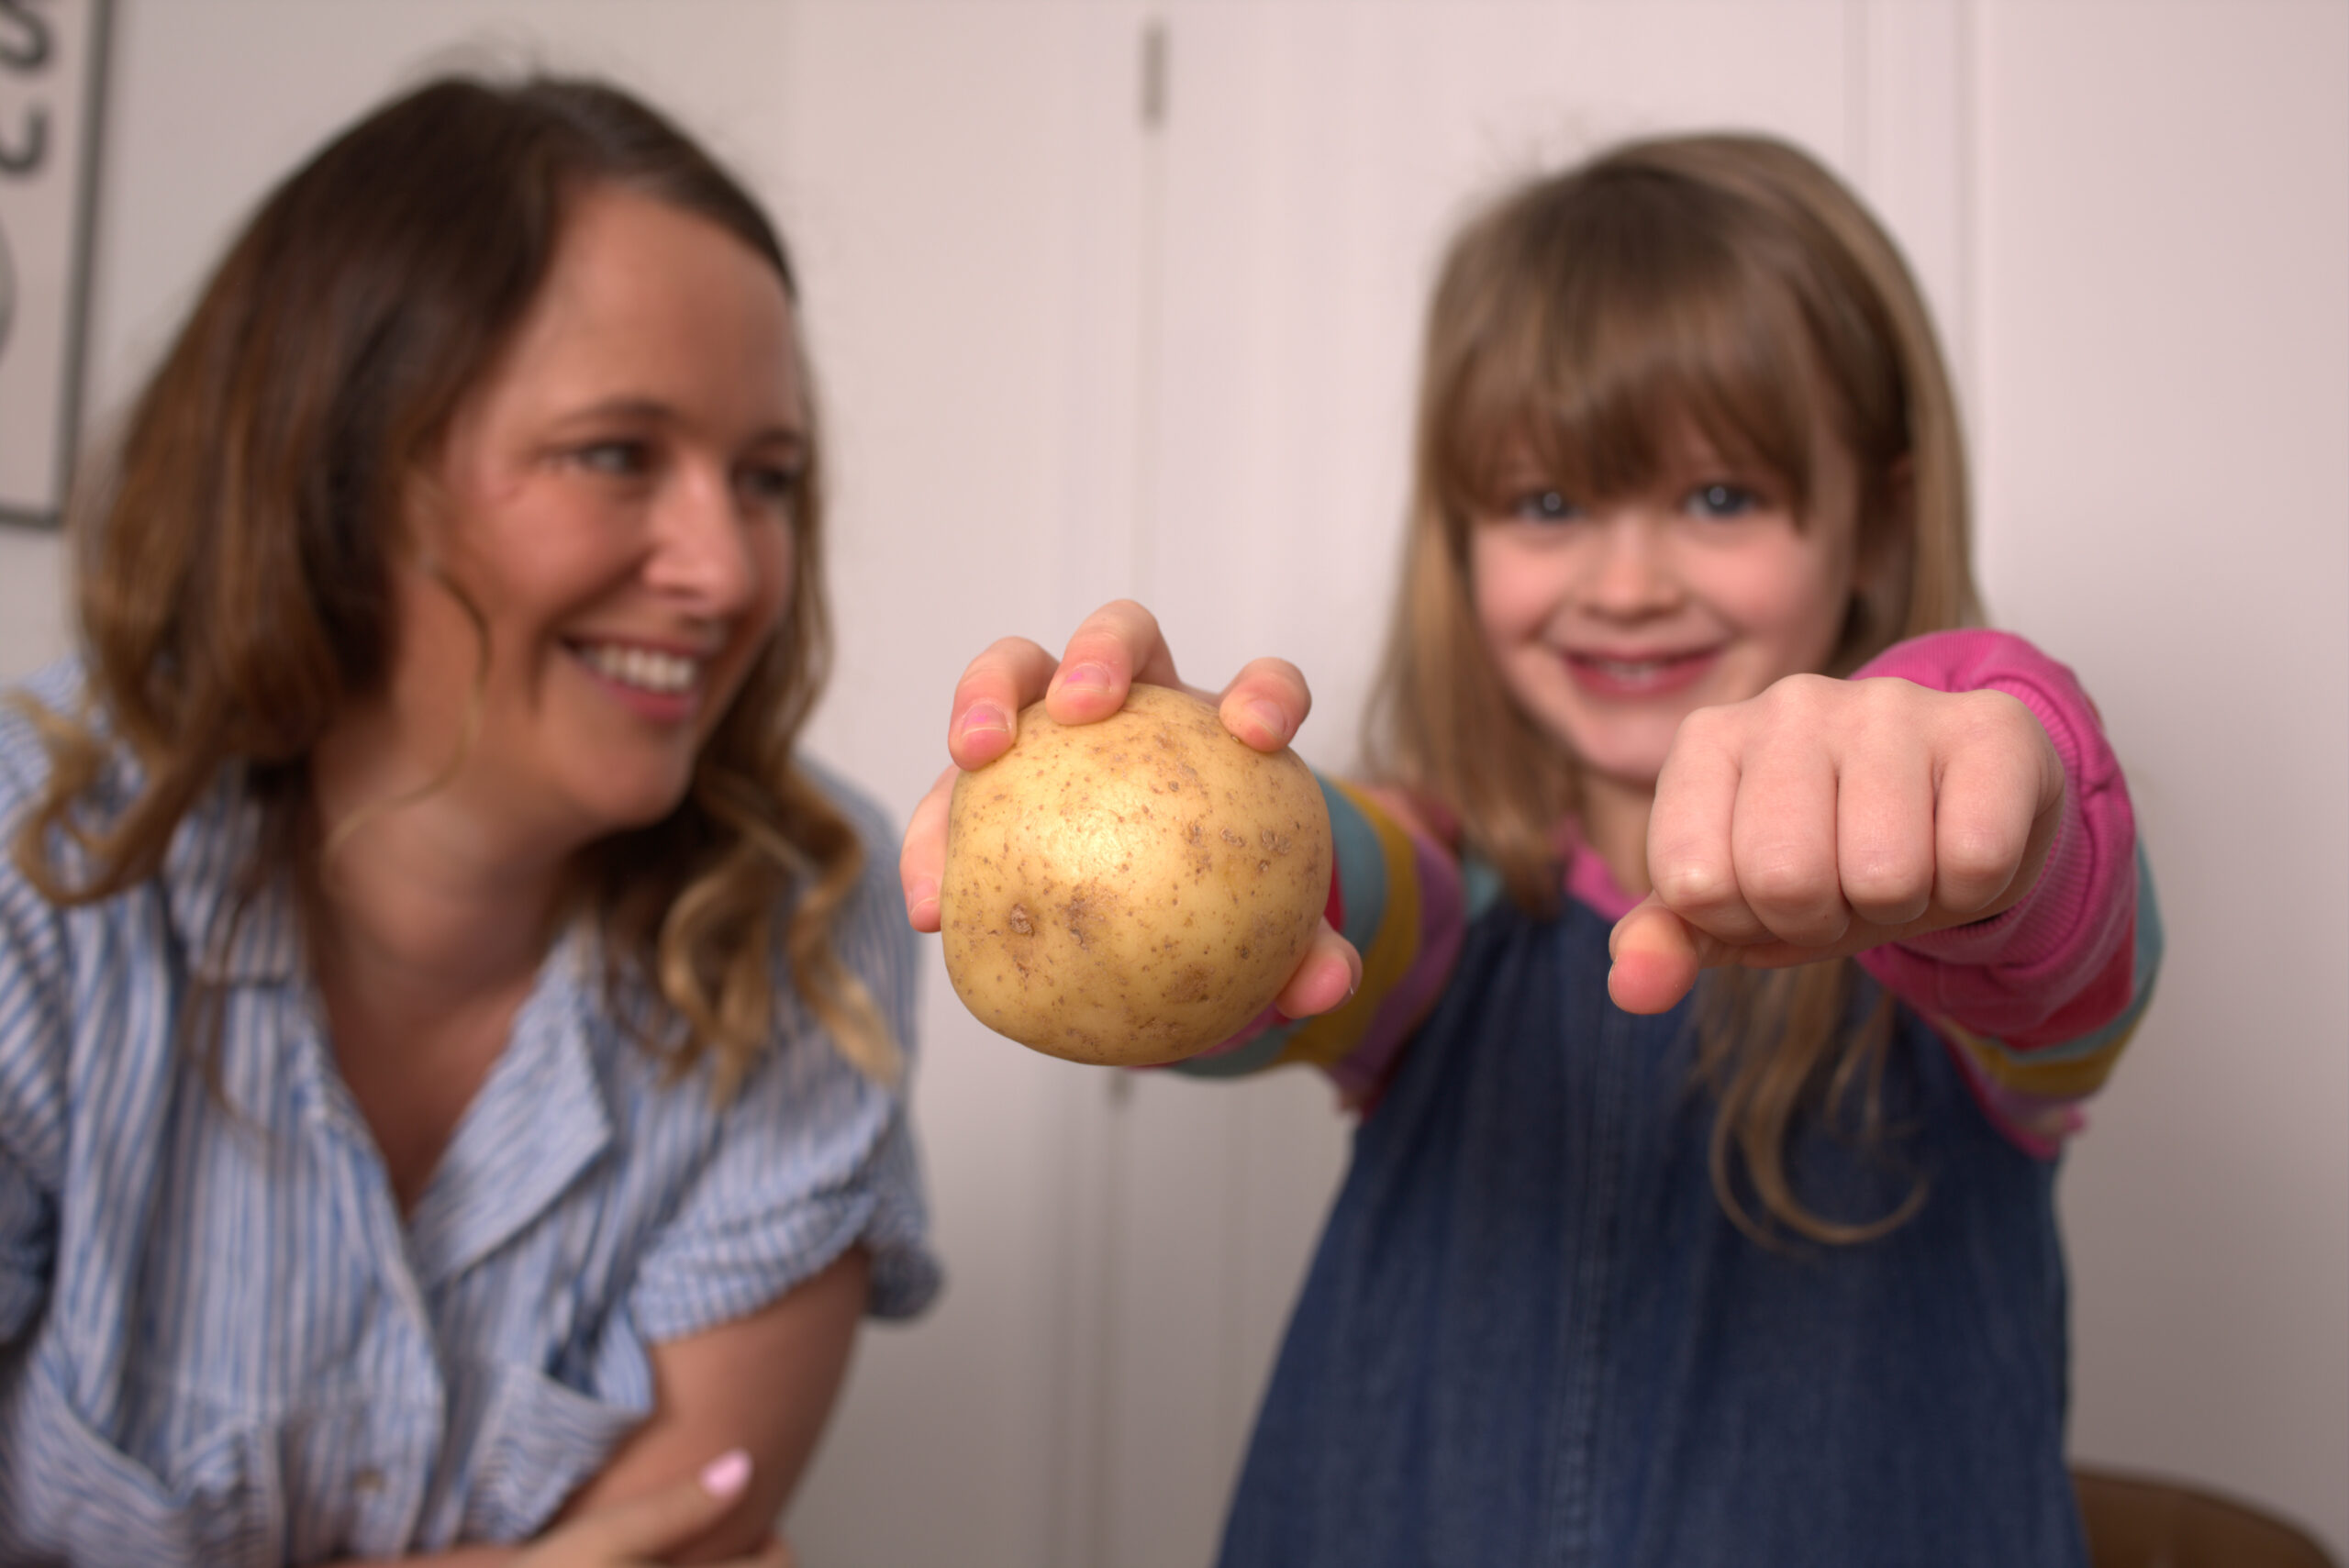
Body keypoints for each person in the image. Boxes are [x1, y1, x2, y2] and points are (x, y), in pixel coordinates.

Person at [902, 132, 2156, 1566]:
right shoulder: (1452, 907)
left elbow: (2066, 920)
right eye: (1550, 504)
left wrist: (2001, 784)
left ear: (1879, 514)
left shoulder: (1961, 922)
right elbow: (1332, 908)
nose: (1627, 585)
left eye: (1722, 496)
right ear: (1464, 538)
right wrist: (1170, 821)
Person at [0, 75, 936, 1565]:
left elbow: (692, 1533)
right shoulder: (28, 873)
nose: (727, 569)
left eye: (766, 479)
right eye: (617, 453)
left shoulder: (808, 904)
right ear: (337, 470)